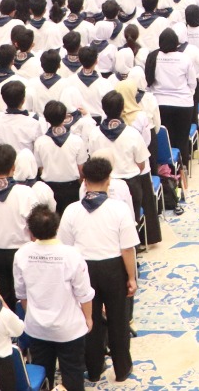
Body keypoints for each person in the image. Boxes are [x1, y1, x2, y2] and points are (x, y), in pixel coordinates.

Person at [58, 158, 138, 384]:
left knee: (89, 319)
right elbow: (127, 248)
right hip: (114, 268)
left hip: (84, 269)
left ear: (84, 181)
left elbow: (66, 247)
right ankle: (122, 369)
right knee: (118, 319)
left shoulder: (72, 210)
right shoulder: (119, 208)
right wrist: (131, 277)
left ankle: (93, 369)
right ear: (108, 180)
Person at [15, 205, 92, 391]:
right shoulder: (71, 254)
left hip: (37, 328)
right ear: (57, 228)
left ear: (30, 231)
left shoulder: (22, 254)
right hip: (69, 328)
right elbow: (83, 293)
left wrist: (33, 315)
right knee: (73, 375)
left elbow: (21, 294)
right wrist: (88, 318)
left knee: (43, 376)